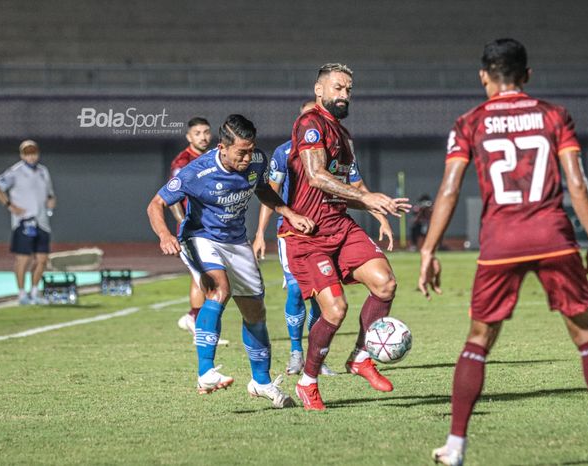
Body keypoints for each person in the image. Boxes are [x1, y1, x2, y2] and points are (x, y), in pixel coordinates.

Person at [418, 39, 588, 466]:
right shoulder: (554, 115)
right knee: (587, 336)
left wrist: (429, 249)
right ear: (527, 75)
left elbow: (450, 189)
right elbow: (577, 183)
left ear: (484, 77)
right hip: (553, 235)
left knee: (478, 340)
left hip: (500, 243)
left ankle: (455, 447)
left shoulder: (469, 122)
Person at [147, 114, 315, 408]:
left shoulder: (257, 161)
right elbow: (156, 204)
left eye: (251, 150)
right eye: (241, 152)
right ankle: (205, 372)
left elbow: (263, 189)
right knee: (219, 290)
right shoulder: (195, 173)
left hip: (236, 241)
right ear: (223, 147)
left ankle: (260, 383)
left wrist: (289, 213)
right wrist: (164, 235)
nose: (248, 157)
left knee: (255, 312)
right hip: (200, 237)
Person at [278, 63, 411, 411]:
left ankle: (361, 356)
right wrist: (366, 199)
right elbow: (316, 174)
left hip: (340, 225)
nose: (344, 95)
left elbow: (346, 189)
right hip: (307, 235)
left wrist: (375, 207)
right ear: (319, 90)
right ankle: (308, 382)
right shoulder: (310, 124)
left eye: (349, 90)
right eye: (338, 88)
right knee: (335, 310)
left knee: (385, 283)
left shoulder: (345, 136)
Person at [253, 101, 396, 376]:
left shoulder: (341, 148)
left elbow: (355, 187)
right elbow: (268, 192)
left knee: (330, 302)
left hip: (335, 226)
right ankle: (297, 353)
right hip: (295, 231)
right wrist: (260, 233)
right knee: (297, 290)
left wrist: (381, 215)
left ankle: (325, 356)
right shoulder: (285, 152)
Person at [169, 116, 229, 346]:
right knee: (205, 278)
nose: (203, 137)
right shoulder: (182, 162)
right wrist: (184, 224)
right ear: (189, 137)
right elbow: (173, 198)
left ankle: (192, 319)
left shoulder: (215, 155)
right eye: (197, 133)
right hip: (194, 230)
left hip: (213, 227)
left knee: (202, 276)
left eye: (206, 132)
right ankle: (198, 325)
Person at [0, 140, 56, 305]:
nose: (31, 156)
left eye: (33, 153)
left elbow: (49, 193)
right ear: (22, 155)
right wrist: (10, 205)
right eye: (27, 153)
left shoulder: (43, 171)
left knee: (42, 259)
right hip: (24, 222)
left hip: (42, 221)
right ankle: (21, 294)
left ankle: (34, 292)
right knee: (23, 260)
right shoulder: (15, 172)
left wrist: (51, 200)